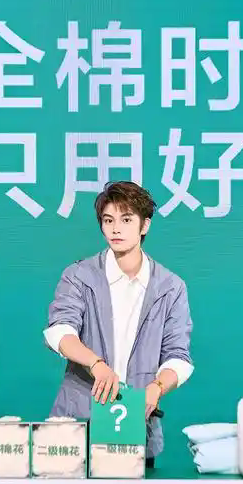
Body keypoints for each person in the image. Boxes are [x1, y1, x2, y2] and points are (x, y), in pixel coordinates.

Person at [43, 181, 194, 466]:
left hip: (136, 428)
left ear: (144, 225)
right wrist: (95, 364)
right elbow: (60, 331)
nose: (115, 229)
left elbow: (178, 357)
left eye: (126, 220)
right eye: (108, 220)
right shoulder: (79, 275)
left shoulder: (171, 287)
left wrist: (157, 387)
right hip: (77, 425)